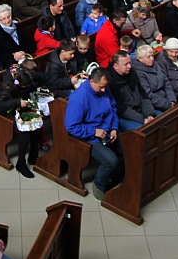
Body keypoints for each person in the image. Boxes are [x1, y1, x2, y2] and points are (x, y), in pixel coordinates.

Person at [64, 69, 124, 201]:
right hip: (89, 136)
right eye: (101, 87)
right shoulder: (79, 98)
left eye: (105, 87)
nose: (104, 90)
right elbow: (72, 126)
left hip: (107, 129)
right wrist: (94, 131)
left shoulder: (104, 89)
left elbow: (112, 109)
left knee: (126, 148)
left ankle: (116, 177)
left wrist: (114, 128)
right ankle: (99, 185)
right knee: (110, 161)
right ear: (91, 81)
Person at [107, 51, 156, 128]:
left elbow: (142, 94)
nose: (129, 66)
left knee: (159, 119)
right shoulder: (111, 82)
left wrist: (149, 114)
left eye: (129, 63)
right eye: (125, 64)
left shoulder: (132, 73)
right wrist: (142, 119)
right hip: (124, 116)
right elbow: (121, 108)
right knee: (142, 130)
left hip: (140, 110)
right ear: (116, 66)